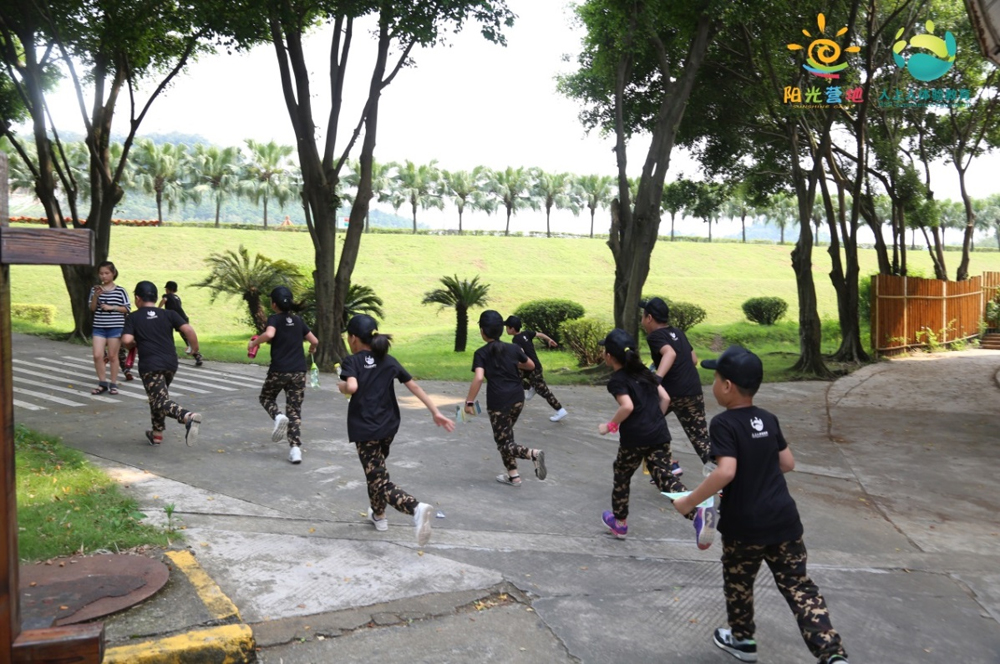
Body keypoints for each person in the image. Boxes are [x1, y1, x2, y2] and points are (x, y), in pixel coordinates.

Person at [673, 345, 849, 664]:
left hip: (745, 527)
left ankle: (742, 640)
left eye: (716, 378)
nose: (714, 384)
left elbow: (726, 471)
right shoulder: (768, 418)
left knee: (739, 582)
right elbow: (787, 463)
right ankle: (832, 654)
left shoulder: (724, 424)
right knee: (799, 587)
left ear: (727, 386)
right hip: (784, 520)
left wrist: (688, 501)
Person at [338, 314, 453, 546]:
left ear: (353, 338)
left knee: (378, 479)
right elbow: (414, 386)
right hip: (388, 427)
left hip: (366, 429)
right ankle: (379, 516)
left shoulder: (352, 361)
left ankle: (416, 509)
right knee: (376, 472)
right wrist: (435, 411)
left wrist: (341, 385)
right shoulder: (388, 360)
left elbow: (351, 386)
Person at [596, 328, 715, 546]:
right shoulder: (645, 372)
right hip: (659, 434)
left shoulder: (617, 380)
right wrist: (654, 420)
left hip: (635, 439)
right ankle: (698, 512)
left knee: (622, 474)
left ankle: (619, 522)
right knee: (666, 478)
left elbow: (627, 406)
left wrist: (610, 425)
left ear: (609, 356)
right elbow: (666, 398)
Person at [465, 310, 547, 487]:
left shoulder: (481, 353)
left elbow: (478, 378)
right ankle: (513, 476)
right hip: (518, 399)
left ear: (482, 331)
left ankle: (533, 454)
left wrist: (469, 402)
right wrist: (514, 362)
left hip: (498, 403)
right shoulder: (513, 349)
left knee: (503, 443)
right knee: (505, 437)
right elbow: (530, 365)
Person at [121, 281, 202, 446]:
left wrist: (134, 343)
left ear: (137, 298)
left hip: (150, 364)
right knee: (158, 397)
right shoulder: (169, 314)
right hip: (170, 363)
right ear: (156, 297)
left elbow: (127, 340)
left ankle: (187, 417)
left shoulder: (134, 317)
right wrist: (194, 348)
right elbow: (188, 330)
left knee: (159, 400)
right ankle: (156, 433)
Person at [640, 297, 714, 477]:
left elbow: (670, 353)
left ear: (649, 318)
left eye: (643, 316)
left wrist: (657, 378)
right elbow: (693, 359)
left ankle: (667, 465)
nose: (641, 320)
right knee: (701, 439)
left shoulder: (655, 336)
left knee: (644, 424)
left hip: (671, 392)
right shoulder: (679, 332)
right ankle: (721, 474)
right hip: (693, 390)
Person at [248, 286, 318, 465]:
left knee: (266, 398)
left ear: (273, 304)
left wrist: (254, 343)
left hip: (279, 370)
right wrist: (312, 348)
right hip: (299, 372)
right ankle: (295, 450)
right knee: (294, 410)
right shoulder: (298, 320)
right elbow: (314, 340)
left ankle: (278, 416)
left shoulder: (274, 319)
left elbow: (269, 334)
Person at [504, 315, 568, 422]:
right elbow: (540, 334)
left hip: (533, 369)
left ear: (512, 329)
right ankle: (531, 387)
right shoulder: (526, 333)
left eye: (507, 327)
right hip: (530, 367)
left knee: (544, 391)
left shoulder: (516, 340)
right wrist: (549, 339)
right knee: (513, 377)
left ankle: (560, 410)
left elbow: (521, 353)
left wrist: (515, 362)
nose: (506, 329)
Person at [89, 260, 131, 395]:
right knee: (97, 355)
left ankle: (113, 384)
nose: (104, 276)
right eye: (101, 273)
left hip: (115, 327)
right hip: (99, 327)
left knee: (113, 356)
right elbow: (92, 308)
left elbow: (127, 308)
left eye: (107, 273)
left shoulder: (120, 290)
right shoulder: (95, 289)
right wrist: (96, 296)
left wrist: (112, 307)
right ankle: (102, 383)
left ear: (113, 273)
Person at [159, 280, 204, 366]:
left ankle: (196, 355)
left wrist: (158, 309)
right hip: (182, 318)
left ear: (167, 289)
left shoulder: (167, 296)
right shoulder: (177, 298)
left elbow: (164, 300)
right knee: (186, 338)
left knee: (167, 335)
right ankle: (196, 355)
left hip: (175, 319)